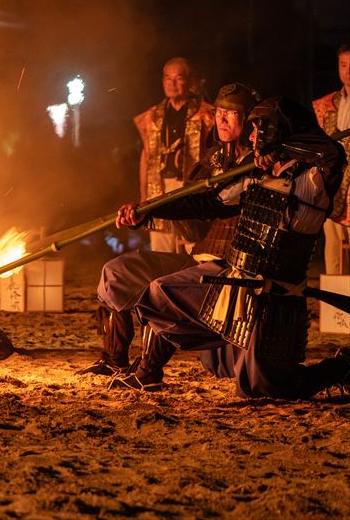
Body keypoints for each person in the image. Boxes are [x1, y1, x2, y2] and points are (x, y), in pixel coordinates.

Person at [112, 97, 350, 398]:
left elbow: (333, 151)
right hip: (234, 282)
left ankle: (341, 368)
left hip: (275, 299)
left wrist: (283, 148)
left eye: (257, 130)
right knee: (162, 294)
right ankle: (149, 371)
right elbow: (207, 202)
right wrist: (151, 211)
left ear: (274, 132)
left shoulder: (316, 178)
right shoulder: (255, 175)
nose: (250, 137)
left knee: (263, 388)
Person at [79, 83, 260, 377]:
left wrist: (154, 208)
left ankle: (148, 372)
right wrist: (144, 215)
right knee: (116, 273)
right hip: (198, 256)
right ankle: (114, 360)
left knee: (161, 289)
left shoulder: (257, 166)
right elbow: (188, 209)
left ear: (249, 118)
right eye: (219, 113)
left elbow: (209, 203)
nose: (222, 120)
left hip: (229, 267)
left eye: (232, 114)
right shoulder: (213, 161)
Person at [134, 57, 215, 252]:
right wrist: (144, 195)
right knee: (161, 249)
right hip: (159, 187)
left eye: (178, 78)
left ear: (189, 81)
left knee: (192, 245)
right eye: (167, 79)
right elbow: (146, 157)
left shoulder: (207, 115)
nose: (172, 84)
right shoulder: (151, 117)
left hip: (190, 188)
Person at [312, 44, 350, 274]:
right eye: (343, 65)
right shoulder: (325, 106)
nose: (348, 71)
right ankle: (335, 306)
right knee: (334, 253)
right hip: (334, 189)